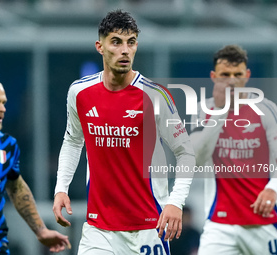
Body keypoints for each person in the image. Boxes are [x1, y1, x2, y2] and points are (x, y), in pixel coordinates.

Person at [53, 9, 195, 254]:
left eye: (130, 43)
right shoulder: (80, 92)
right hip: (99, 228)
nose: (125, 50)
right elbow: (73, 141)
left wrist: (175, 202)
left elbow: (186, 152)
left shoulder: (155, 96)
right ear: (100, 46)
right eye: (116, 42)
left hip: (149, 226)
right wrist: (61, 188)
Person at [190, 44, 277, 254]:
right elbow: (196, 160)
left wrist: (273, 188)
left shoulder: (266, 109)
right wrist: (220, 112)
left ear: (247, 75)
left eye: (237, 74)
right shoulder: (203, 111)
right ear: (213, 76)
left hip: (263, 222)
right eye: (225, 74)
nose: (232, 81)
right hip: (219, 224)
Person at [0, 78, 71, 254]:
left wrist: (41, 230)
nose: (2, 108)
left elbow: (16, 188)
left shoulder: (7, 145)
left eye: (3, 102)